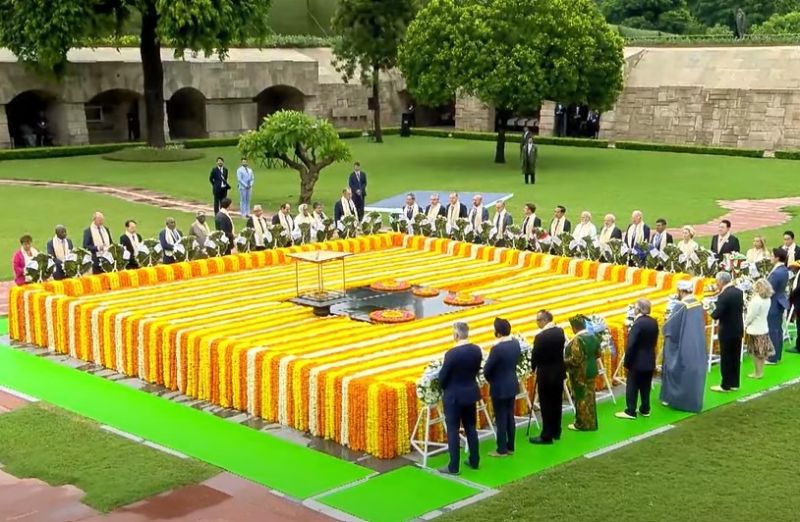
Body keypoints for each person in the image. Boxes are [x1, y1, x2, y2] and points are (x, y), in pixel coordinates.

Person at [438, 322, 482, 475]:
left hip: (454, 396)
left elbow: (442, 377)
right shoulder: (476, 350)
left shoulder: (452, 354)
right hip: (470, 393)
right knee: (471, 428)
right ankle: (474, 460)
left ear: (456, 335)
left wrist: (444, 387)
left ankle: (453, 466)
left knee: (453, 430)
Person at [660, 280, 707, 413]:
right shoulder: (698, 303)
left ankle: (673, 399)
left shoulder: (680, 305)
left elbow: (670, 327)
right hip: (696, 344)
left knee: (672, 366)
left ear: (680, 291)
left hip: (681, 344)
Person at [483, 318, 521, 457]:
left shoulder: (497, 349)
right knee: (510, 415)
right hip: (512, 383)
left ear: (498, 333)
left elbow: (487, 370)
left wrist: (491, 379)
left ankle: (501, 449)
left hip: (499, 386)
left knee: (500, 418)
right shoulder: (515, 343)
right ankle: (510, 446)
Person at [616, 299, 658, 419]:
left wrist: (627, 362)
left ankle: (630, 410)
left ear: (638, 309)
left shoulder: (638, 323)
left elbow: (631, 345)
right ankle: (645, 409)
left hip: (637, 361)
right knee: (646, 386)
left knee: (632, 386)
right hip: (649, 359)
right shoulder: (653, 322)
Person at [529, 310, 566, 445]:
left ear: (544, 321)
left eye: (538, 320)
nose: (537, 323)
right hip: (558, 372)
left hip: (545, 374)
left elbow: (535, 356)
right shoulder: (560, 332)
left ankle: (546, 435)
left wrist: (533, 368)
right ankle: (556, 430)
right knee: (557, 403)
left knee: (546, 405)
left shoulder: (541, 337)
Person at [564, 314, 599, 431]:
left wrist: (563, 362)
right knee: (590, 397)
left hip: (580, 374)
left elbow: (575, 359)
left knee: (581, 398)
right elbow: (598, 353)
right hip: (592, 370)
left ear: (574, 328)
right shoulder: (592, 336)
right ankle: (591, 422)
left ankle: (582, 423)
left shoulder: (578, 340)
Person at [710, 272, 744, 392]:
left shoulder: (724, 295)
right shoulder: (739, 292)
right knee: (735, 356)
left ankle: (725, 385)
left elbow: (716, 314)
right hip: (738, 328)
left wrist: (709, 307)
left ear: (720, 282)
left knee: (726, 357)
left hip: (727, 330)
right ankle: (734, 383)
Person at [745, 278, 775, 379]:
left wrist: (745, 324)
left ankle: (757, 373)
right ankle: (760, 371)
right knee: (762, 353)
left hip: (755, 329)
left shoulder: (756, 301)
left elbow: (750, 316)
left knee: (756, 353)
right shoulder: (768, 299)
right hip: (763, 328)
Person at [767, 248, 789, 365]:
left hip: (773, 303)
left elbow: (769, 289)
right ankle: (777, 355)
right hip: (778, 301)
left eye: (771, 255)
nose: (770, 257)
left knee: (773, 330)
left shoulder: (777, 272)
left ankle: (772, 357)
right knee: (777, 329)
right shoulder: (782, 269)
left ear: (777, 257)